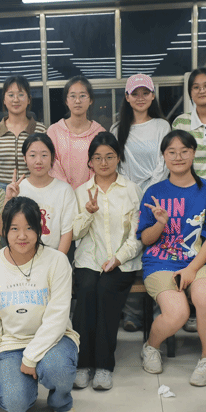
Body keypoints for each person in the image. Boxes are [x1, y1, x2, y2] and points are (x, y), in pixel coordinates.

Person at [0, 196, 80, 412]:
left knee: (57, 368)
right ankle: (25, 388)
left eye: (29, 228)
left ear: (39, 229)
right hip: (11, 342)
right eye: (14, 228)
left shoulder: (57, 261)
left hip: (54, 339)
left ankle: (61, 401)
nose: (22, 236)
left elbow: (57, 318)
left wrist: (30, 358)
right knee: (15, 403)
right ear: (4, 230)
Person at [137, 130, 206, 384]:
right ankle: (151, 347)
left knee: (204, 298)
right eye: (171, 152)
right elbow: (145, 239)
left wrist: (192, 269)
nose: (178, 157)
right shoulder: (154, 192)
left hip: (200, 260)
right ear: (164, 156)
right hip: (160, 261)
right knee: (177, 313)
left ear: (193, 153)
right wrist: (160, 223)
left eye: (184, 151)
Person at [72, 132, 142, 391]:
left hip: (123, 260)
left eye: (109, 156)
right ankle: (82, 364)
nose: (103, 163)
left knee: (105, 292)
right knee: (87, 290)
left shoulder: (132, 190)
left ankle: (103, 366)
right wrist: (88, 214)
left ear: (119, 157)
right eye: (97, 157)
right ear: (90, 161)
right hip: (89, 259)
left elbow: (138, 235)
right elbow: (75, 233)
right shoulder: (81, 192)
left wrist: (118, 258)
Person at [111, 73, 171, 333]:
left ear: (153, 95)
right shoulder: (117, 129)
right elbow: (118, 165)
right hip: (128, 198)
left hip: (156, 198)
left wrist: (148, 192)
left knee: (158, 253)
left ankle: (160, 312)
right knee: (130, 252)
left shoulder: (162, 126)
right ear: (127, 97)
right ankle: (132, 312)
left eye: (145, 92)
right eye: (135, 93)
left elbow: (163, 162)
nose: (140, 98)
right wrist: (133, 193)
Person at [4, 133, 76, 254]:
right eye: (32, 155)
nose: (38, 161)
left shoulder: (64, 190)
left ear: (52, 158)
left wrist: (58, 260)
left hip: (53, 255)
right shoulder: (17, 189)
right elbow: (4, 230)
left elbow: (67, 231)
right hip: (22, 256)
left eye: (44, 155)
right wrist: (8, 199)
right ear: (24, 158)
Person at [0, 76, 45, 190]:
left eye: (21, 94)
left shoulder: (41, 130)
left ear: (29, 99)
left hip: (33, 186)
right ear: (4, 100)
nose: (16, 99)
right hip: (3, 188)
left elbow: (45, 165)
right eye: (11, 95)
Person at [47, 76, 105, 190]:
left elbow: (102, 164)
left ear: (90, 100)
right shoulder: (54, 131)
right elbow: (52, 163)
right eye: (73, 96)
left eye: (83, 96)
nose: (77, 101)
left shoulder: (99, 132)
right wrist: (66, 190)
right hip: (60, 193)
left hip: (91, 193)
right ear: (66, 100)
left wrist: (86, 190)